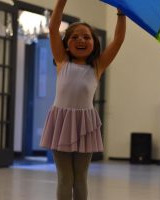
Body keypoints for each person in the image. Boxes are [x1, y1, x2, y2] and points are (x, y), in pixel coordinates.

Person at [40, 0, 126, 199]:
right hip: (61, 122)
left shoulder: (97, 66)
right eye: (75, 37)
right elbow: (53, 28)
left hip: (85, 124)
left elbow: (119, 39)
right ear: (67, 45)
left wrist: (121, 12)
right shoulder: (62, 61)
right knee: (65, 178)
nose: (81, 40)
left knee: (80, 178)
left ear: (94, 43)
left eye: (86, 37)